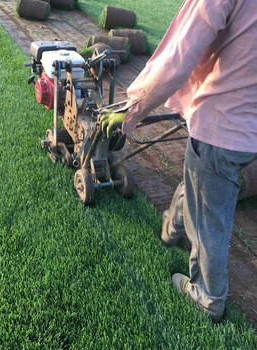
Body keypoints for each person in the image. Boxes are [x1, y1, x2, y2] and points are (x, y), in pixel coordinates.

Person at [100, 0, 257, 322]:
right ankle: (172, 227)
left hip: (222, 126)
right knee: (200, 180)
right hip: (249, 133)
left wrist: (132, 109)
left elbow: (178, 56)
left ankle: (208, 297)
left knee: (211, 216)